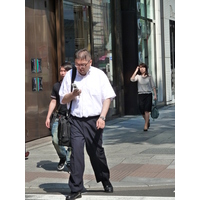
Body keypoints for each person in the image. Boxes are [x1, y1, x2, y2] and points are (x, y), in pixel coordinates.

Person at [59, 48, 116, 200]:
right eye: (78, 64)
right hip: (76, 120)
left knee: (96, 153)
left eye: (83, 64)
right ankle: (76, 188)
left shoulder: (99, 75)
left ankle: (105, 179)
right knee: (76, 154)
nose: (80, 67)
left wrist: (102, 117)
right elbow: (62, 100)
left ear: (90, 62)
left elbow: (108, 98)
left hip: (94, 120)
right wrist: (73, 95)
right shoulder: (70, 76)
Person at [45, 62, 72, 171]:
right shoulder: (57, 86)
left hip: (72, 116)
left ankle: (70, 161)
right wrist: (48, 116)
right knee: (55, 140)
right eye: (61, 71)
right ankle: (63, 157)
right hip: (59, 116)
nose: (62, 73)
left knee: (72, 141)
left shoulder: (74, 85)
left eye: (64, 71)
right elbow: (53, 101)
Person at [130, 63, 157, 131]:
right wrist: (136, 70)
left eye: (143, 67)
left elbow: (153, 86)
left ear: (146, 68)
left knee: (146, 110)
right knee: (141, 109)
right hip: (141, 94)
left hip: (148, 94)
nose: (142, 69)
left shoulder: (149, 76)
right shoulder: (138, 76)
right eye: (141, 68)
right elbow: (132, 79)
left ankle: (145, 125)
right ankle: (147, 121)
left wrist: (155, 95)